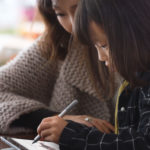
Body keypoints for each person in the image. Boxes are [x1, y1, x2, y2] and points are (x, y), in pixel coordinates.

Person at [37, 0, 150, 149]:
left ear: (133, 31)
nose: (100, 57)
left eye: (103, 45)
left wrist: (72, 136)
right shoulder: (132, 82)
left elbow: (143, 144)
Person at [0, 0, 115, 134]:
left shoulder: (138, 47)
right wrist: (56, 119)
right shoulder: (58, 43)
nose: (73, 24)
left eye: (80, 11)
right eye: (61, 14)